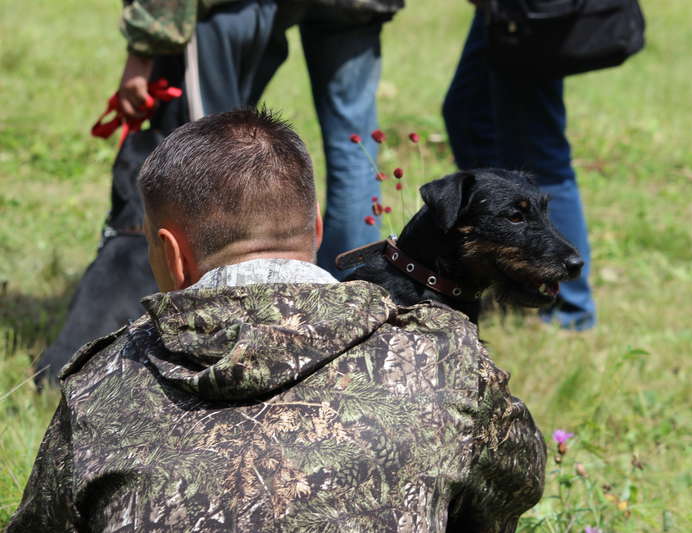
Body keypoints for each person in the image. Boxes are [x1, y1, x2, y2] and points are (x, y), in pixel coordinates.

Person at [8, 109, 546, 532]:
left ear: (171, 254)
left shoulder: (103, 382)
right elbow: (510, 492)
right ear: (315, 229)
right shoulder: (445, 356)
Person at [37, 0, 400, 383]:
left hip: (227, 11)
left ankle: (218, 343)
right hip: (350, 7)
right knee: (354, 146)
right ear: (316, 225)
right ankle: (350, 325)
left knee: (208, 162)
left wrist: (144, 50)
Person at [442, 5, 596, 331]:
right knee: (467, 114)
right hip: (504, 10)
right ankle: (501, 276)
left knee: (538, 146)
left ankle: (566, 309)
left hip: (532, 9)